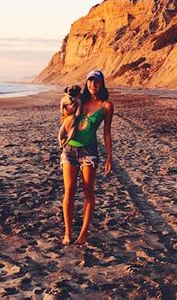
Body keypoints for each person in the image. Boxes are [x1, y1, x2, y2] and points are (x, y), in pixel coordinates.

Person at [59, 69, 114, 245]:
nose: (93, 84)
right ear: (86, 82)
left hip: (90, 151)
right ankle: (67, 232)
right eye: (90, 80)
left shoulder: (106, 106)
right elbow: (65, 121)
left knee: (88, 191)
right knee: (70, 191)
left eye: (96, 81)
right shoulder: (78, 100)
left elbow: (106, 133)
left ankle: (84, 233)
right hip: (70, 149)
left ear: (102, 84)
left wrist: (109, 157)